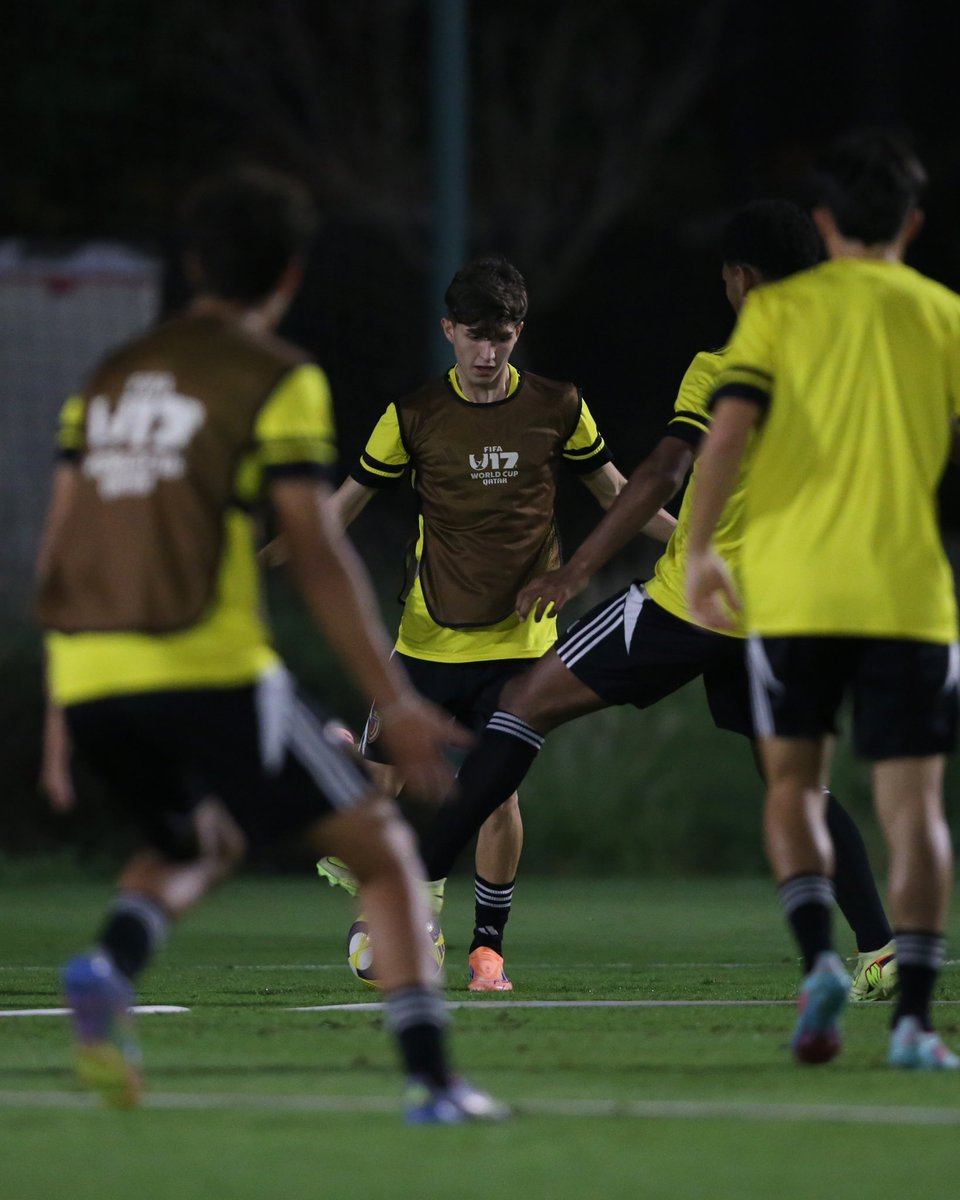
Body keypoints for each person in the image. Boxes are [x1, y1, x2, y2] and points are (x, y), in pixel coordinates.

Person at [34, 165, 507, 1123]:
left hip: (92, 674)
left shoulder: (107, 379)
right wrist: (397, 697)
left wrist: (58, 713)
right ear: (289, 275)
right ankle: (434, 1084)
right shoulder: (275, 375)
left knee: (199, 837)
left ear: (194, 262)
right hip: (206, 668)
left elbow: (60, 553)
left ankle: (108, 964)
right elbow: (322, 553)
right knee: (382, 853)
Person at [413, 199, 897, 1004]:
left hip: (692, 603)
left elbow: (661, 473)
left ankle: (413, 890)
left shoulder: (727, 364)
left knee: (520, 705)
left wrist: (580, 570)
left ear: (739, 278)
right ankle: (882, 950)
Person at [312, 255, 675, 991]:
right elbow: (343, 504)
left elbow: (616, 494)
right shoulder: (412, 415)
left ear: (519, 333)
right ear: (448, 331)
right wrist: (280, 543)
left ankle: (483, 949)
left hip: (520, 640)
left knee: (496, 792)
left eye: (501, 336)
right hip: (426, 638)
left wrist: (700, 546)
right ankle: (391, 892)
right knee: (376, 790)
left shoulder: (559, 405)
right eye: (473, 335)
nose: (486, 352)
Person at [685, 131, 960, 1069]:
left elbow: (726, 432)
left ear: (828, 222)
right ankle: (917, 1020)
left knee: (794, 784)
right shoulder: (944, 315)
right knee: (914, 811)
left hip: (796, 593)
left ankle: (817, 963)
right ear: (912, 224)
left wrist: (696, 552)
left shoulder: (781, 313)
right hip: (911, 596)